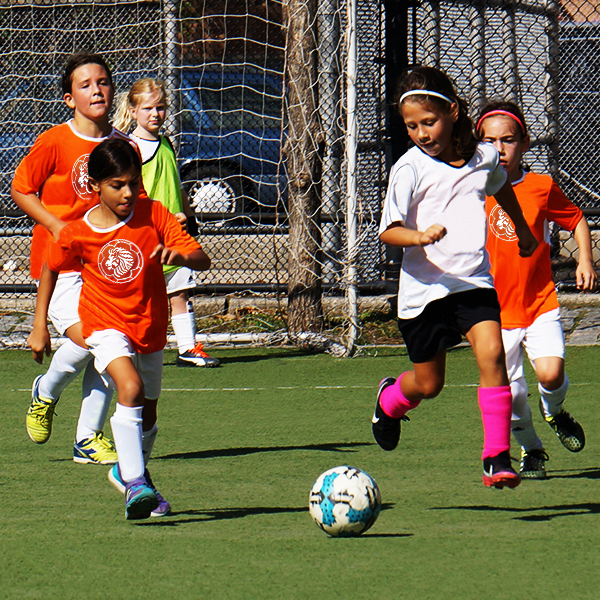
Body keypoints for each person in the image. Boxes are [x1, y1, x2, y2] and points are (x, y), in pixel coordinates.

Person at [372, 66, 538, 489]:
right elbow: (387, 230)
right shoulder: (408, 169)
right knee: (429, 385)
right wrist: (420, 235)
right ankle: (389, 401)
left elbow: (500, 186)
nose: (421, 133)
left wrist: (520, 230)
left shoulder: (483, 156)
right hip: (424, 292)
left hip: (473, 282)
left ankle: (495, 456)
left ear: (453, 112)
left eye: (429, 122)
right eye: (411, 126)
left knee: (493, 355)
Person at [28, 138, 211, 519]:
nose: (128, 192)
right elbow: (50, 267)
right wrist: (38, 324)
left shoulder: (154, 214)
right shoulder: (77, 231)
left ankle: (130, 472)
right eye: (117, 185)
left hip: (150, 325)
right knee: (129, 387)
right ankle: (136, 484)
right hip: (104, 323)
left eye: (133, 181)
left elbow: (201, 257)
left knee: (149, 415)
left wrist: (179, 254)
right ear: (96, 185)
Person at [11, 52, 135, 464]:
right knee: (94, 340)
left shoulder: (124, 144)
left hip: (104, 266)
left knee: (110, 343)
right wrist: (56, 224)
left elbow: (131, 200)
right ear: (69, 98)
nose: (96, 90)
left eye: (102, 82)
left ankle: (87, 437)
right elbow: (21, 188)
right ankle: (46, 390)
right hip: (60, 266)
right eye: (85, 85)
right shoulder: (55, 141)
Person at [476, 100, 596, 479]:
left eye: (508, 140)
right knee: (510, 396)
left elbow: (576, 219)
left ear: (525, 143)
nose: (500, 149)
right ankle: (531, 450)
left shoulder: (540, 187)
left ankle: (554, 410)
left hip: (539, 302)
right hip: (493, 315)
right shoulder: (472, 191)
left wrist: (585, 261)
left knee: (550, 374)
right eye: (490, 141)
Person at [113, 78, 220, 368]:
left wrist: (189, 215)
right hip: (144, 235)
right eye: (148, 108)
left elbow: (175, 184)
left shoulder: (166, 144)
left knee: (180, 291)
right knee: (138, 297)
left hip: (173, 236)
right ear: (133, 111)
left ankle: (187, 347)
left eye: (160, 107)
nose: (155, 114)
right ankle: (122, 347)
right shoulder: (129, 148)